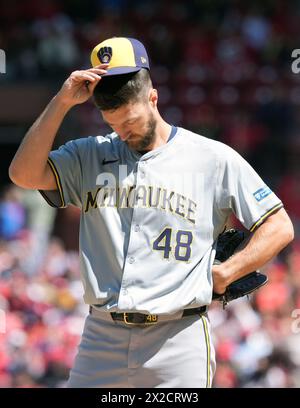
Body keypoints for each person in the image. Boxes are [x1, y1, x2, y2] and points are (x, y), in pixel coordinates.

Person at [9, 37, 294, 388]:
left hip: (177, 336)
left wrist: (226, 273)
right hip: (102, 334)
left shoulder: (211, 158)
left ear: (153, 98)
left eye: (129, 121)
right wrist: (61, 101)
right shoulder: (90, 154)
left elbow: (279, 226)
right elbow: (22, 174)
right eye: (113, 124)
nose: (122, 133)